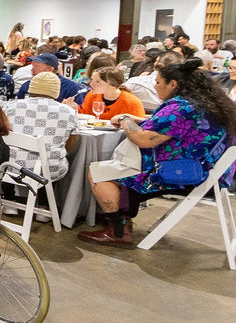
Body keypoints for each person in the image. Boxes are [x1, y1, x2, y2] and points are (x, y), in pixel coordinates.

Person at [80, 59, 236, 246]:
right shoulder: (208, 104)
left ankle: (118, 230)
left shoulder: (181, 107)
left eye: (158, 82)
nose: (155, 86)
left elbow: (143, 139)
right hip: (211, 171)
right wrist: (135, 119)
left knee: (99, 172)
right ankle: (120, 218)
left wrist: (124, 120)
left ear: (173, 84)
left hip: (184, 174)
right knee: (119, 167)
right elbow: (168, 129)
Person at [2, 71, 78, 186]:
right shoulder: (68, 111)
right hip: (49, 170)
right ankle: (46, 201)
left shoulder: (10, 106)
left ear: (31, 88)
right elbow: (70, 143)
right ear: (56, 91)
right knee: (62, 160)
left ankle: (10, 196)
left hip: (11, 167)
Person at [77, 67, 145, 119]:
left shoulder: (131, 102)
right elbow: (84, 115)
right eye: (92, 80)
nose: (91, 84)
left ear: (113, 85)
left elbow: (138, 126)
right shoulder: (91, 96)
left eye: (97, 82)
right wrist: (74, 109)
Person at [16, 53, 81, 101]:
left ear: (50, 70)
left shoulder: (71, 88)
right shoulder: (27, 85)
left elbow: (79, 111)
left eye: (37, 67)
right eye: (33, 66)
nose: (32, 70)